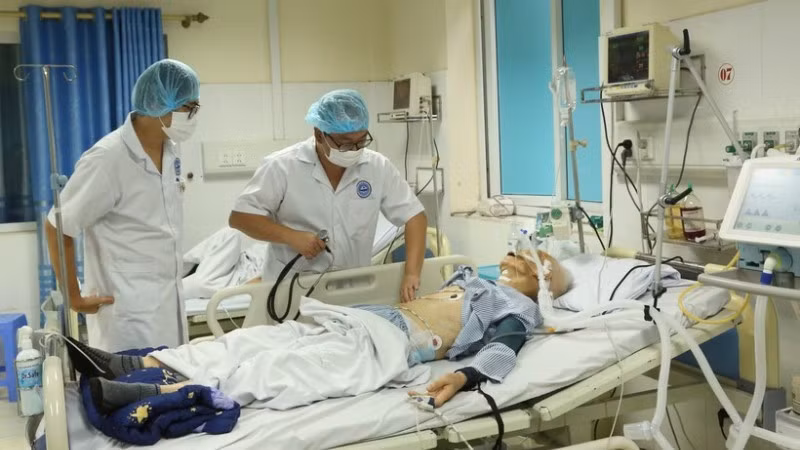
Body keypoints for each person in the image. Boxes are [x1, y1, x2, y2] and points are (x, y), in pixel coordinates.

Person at [67, 249, 571, 413]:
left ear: (542, 282)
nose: (517, 254)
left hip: (395, 346)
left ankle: (156, 395)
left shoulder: (519, 311)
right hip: (364, 320)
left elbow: (504, 348)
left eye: (532, 259)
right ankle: (135, 363)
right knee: (250, 339)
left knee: (277, 369)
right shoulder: (474, 278)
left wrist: (461, 378)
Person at [45, 59, 200, 352]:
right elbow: (57, 226)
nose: (193, 115)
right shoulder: (108, 158)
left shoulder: (171, 151)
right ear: (159, 105)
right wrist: (74, 297)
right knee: (136, 379)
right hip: (128, 318)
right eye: (188, 107)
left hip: (168, 305)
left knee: (172, 376)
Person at [229, 89, 427, 303]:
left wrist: (412, 273)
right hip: (293, 292)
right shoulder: (282, 167)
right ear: (319, 134)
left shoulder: (377, 166)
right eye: (344, 142)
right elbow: (241, 218)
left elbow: (415, 216)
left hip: (353, 288)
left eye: (361, 141)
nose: (353, 150)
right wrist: (291, 237)